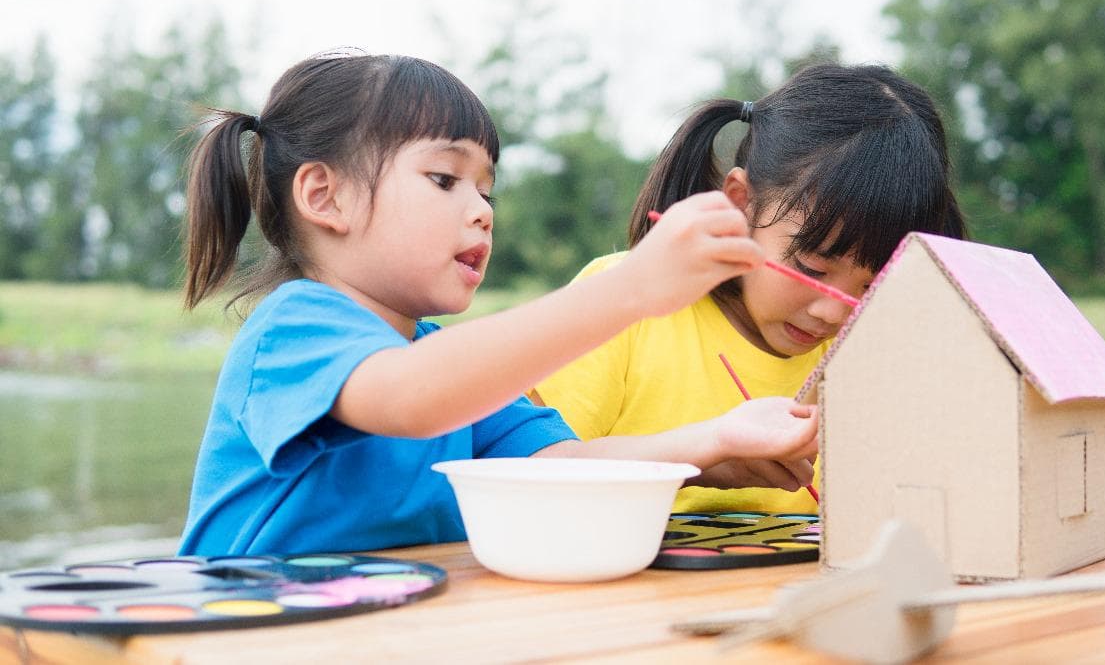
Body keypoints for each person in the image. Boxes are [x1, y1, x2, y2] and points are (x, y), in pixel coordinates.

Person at [177, 52, 820, 556]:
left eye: (488, 190)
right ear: (324, 196)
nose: (482, 211)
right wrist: (630, 291)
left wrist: (713, 441)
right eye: (445, 179)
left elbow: (557, 471)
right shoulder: (294, 331)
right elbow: (409, 398)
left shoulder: (443, 362)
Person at [533, 63, 967, 515]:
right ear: (741, 202)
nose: (835, 313)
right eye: (813, 268)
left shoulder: (868, 356)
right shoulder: (626, 299)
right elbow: (526, 474)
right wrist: (703, 456)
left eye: (873, 285)